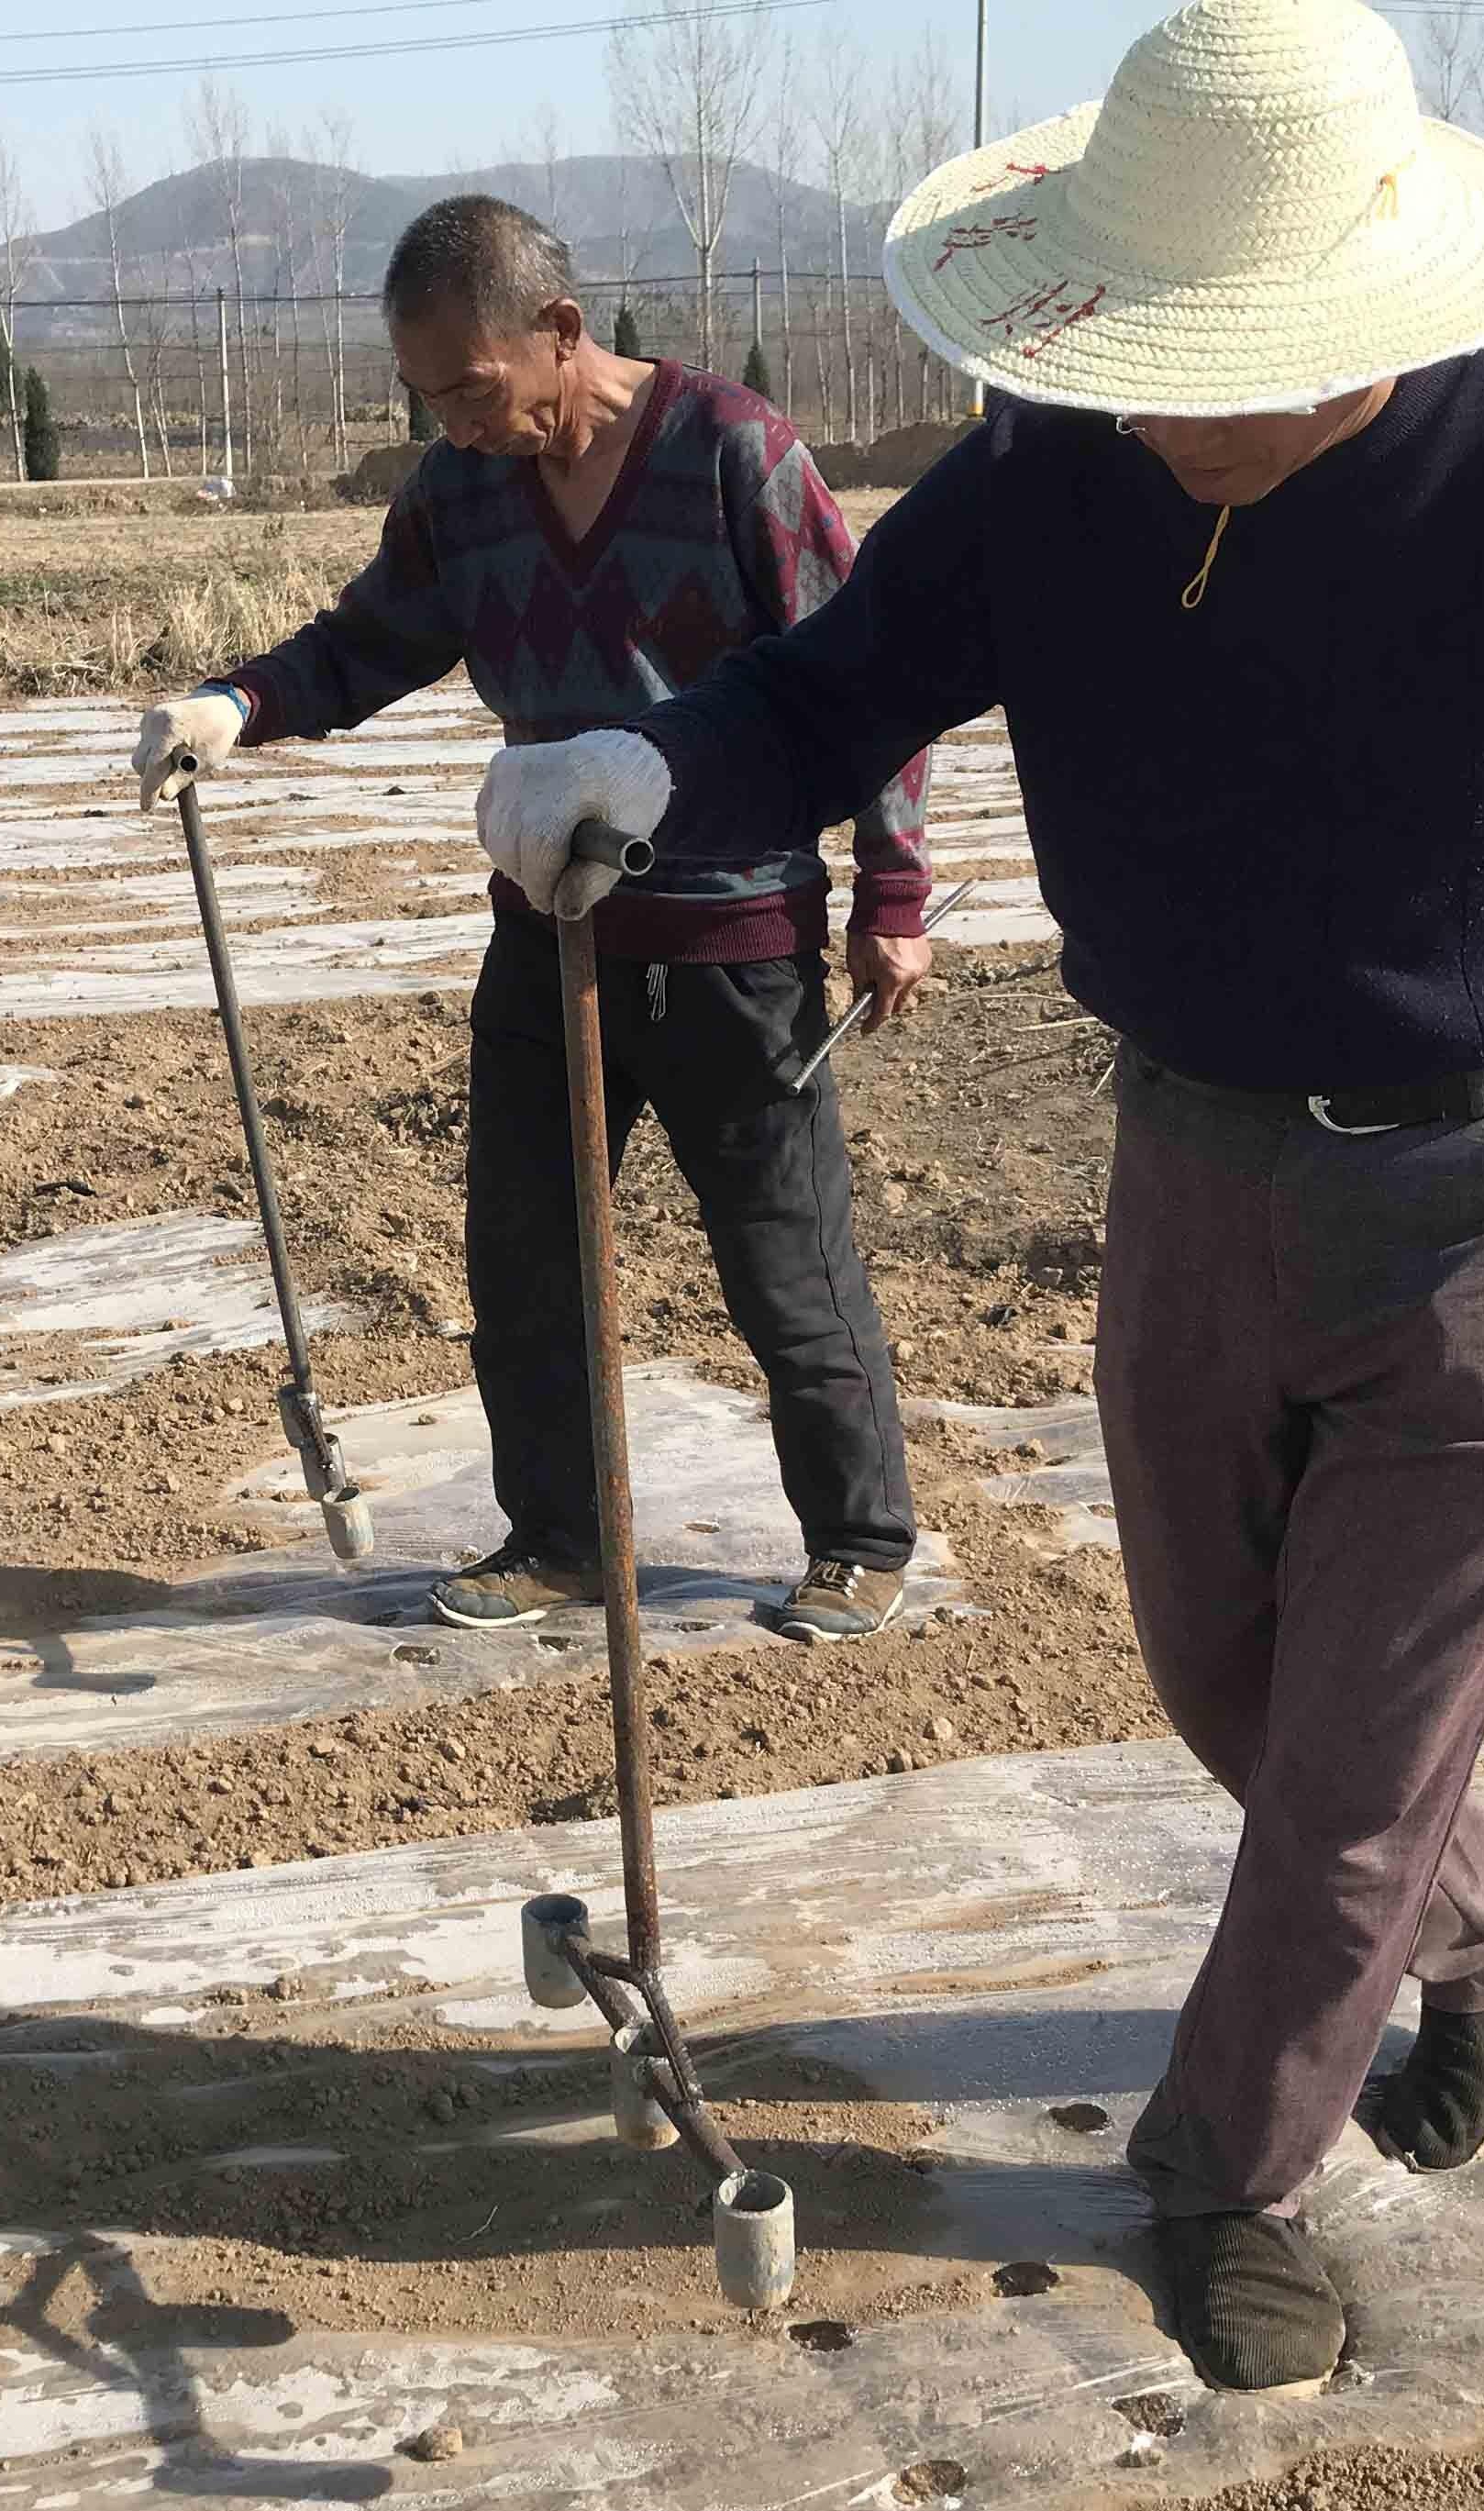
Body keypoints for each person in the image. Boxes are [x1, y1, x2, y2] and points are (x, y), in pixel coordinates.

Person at [472, 0, 1484, 2392]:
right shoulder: (1067, 462)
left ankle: (1223, 2172)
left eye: (1201, 360)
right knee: (1234, 1686)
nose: (1151, 406)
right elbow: (838, 692)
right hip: (1200, 1161)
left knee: (1351, 1761)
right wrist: (647, 764)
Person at [133, 194, 936, 1643]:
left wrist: (892, 893)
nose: (449, 421)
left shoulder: (732, 453)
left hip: (729, 941)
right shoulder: (463, 493)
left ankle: (861, 1537)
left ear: (560, 333)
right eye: (424, 394)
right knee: (524, 1258)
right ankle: (561, 1535)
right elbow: (369, 642)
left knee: (783, 1261)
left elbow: (865, 673)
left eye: (471, 388)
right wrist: (235, 706)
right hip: (546, 928)